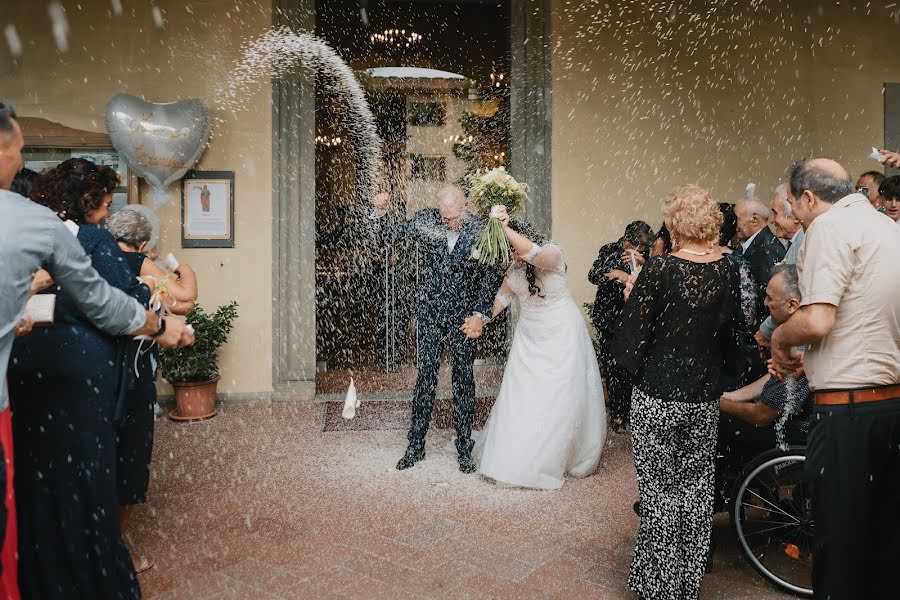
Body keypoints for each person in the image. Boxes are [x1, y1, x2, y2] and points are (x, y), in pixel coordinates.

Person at [0, 101, 193, 600]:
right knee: (76, 484)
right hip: (72, 375)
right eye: (17, 150)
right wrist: (158, 324)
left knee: (28, 486)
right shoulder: (39, 226)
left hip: (21, 374)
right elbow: (105, 302)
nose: (20, 161)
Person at [770, 158, 900, 600]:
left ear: (808, 198)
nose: (794, 218)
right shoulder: (885, 226)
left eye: (792, 206)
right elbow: (867, 318)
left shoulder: (827, 227)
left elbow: (818, 320)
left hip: (848, 414)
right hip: (890, 407)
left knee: (840, 549)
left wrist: (781, 342)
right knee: (884, 546)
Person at [616, 185, 752, 600]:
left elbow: (632, 338)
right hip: (704, 397)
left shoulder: (660, 269)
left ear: (674, 223)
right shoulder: (727, 269)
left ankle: (660, 587)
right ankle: (685, 582)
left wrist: (631, 298)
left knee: (659, 489)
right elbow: (732, 333)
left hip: (659, 395)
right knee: (695, 488)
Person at [371, 187, 503, 473]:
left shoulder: (483, 228)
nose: (449, 223)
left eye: (454, 217)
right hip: (430, 314)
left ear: (466, 206)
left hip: (464, 318)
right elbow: (388, 237)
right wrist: (381, 211)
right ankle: (415, 444)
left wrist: (480, 314)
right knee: (425, 376)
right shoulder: (425, 221)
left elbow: (492, 273)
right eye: (444, 217)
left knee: (463, 379)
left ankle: (464, 445)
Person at [475, 212, 607, 489]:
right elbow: (502, 298)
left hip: (562, 334)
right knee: (523, 395)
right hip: (529, 338)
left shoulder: (552, 254)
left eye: (511, 247)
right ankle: (517, 454)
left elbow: (534, 255)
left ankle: (553, 458)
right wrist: (481, 319)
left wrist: (503, 227)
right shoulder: (514, 269)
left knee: (559, 395)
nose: (509, 254)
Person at [105, 209, 197, 575]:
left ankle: (100, 531)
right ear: (143, 243)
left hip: (100, 367)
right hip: (133, 372)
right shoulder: (139, 264)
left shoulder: (95, 258)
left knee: (107, 450)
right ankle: (118, 540)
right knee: (130, 453)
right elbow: (185, 300)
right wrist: (183, 270)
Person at [715, 265, 812, 499]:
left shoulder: (798, 347)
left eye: (771, 298)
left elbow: (762, 416)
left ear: (792, 305)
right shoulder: (794, 331)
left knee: (713, 421)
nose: (765, 303)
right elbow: (769, 378)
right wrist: (730, 396)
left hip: (793, 434)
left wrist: (715, 404)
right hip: (783, 422)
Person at [587, 221, 653, 433]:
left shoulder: (650, 257)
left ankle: (636, 411)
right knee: (614, 368)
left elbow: (654, 282)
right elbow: (593, 275)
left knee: (633, 367)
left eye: (643, 250)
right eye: (637, 249)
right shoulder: (609, 250)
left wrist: (644, 263)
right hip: (610, 318)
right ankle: (618, 415)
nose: (639, 252)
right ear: (626, 242)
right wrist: (615, 272)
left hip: (636, 320)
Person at [756, 188, 805, 346]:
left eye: (775, 213)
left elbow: (794, 296)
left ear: (795, 218)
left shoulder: (803, 242)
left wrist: (766, 330)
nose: (771, 220)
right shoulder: (798, 240)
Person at [733, 197, 786, 325]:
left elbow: (768, 297)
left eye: (737, 219)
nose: (734, 225)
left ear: (755, 219)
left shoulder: (770, 248)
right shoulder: (752, 242)